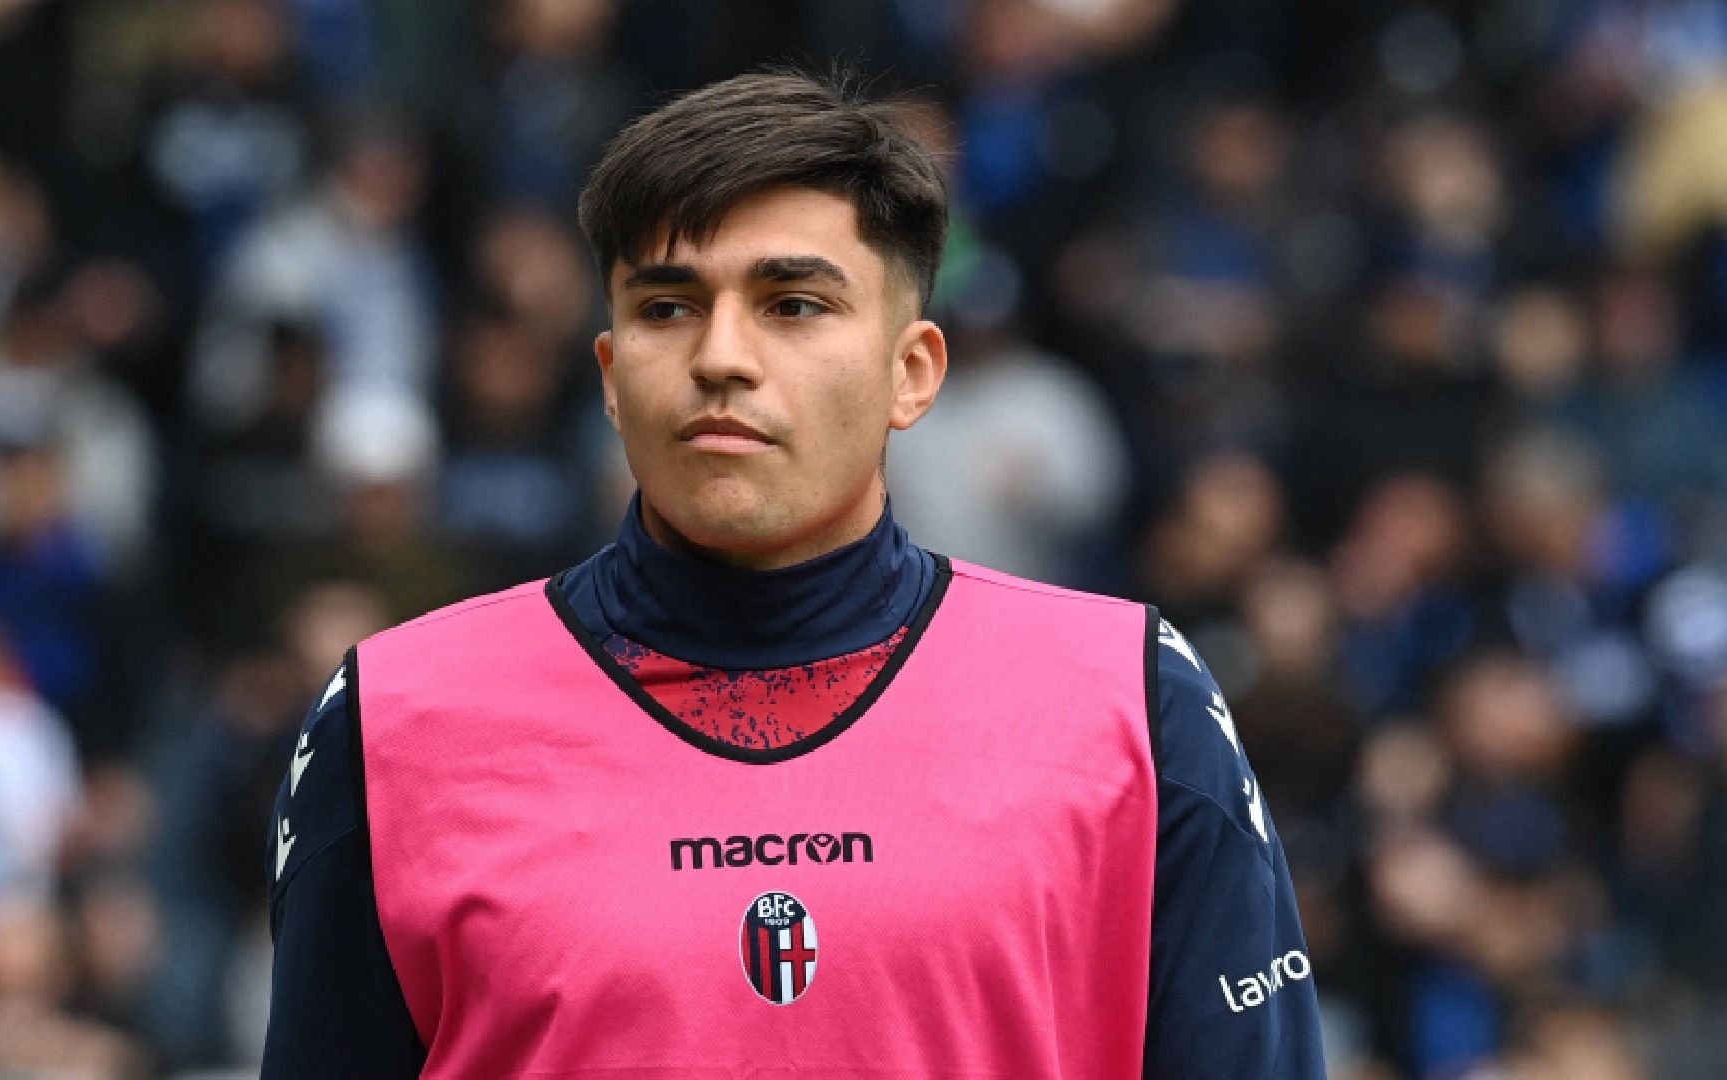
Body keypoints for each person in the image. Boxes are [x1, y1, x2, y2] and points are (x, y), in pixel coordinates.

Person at [261, 71, 1326, 1078]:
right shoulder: (397, 719)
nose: (720, 356)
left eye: (794, 304)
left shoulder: (1130, 699)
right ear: (611, 377)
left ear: (912, 372)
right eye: (667, 307)